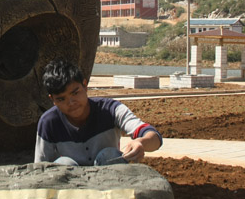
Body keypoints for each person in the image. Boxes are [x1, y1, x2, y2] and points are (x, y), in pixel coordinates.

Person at [34, 59, 162, 166]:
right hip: (71, 185)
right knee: (63, 164)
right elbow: (40, 167)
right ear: (52, 100)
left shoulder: (111, 109)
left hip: (110, 180)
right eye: (61, 99)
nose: (71, 103)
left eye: (75, 93)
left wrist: (141, 142)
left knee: (109, 155)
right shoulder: (49, 122)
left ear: (85, 86)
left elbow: (154, 136)